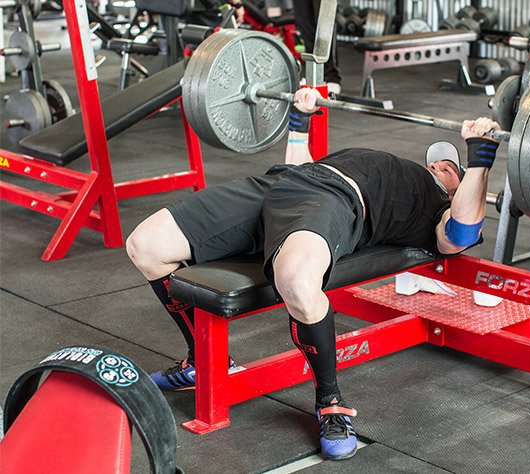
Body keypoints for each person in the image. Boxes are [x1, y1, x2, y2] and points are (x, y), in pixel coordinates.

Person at [126, 87, 501, 460]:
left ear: (460, 188)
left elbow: (460, 234)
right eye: (435, 163)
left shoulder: (434, 206)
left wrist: (481, 155)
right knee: (145, 246)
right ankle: (202, 363)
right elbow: (298, 163)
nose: (437, 167)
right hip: (280, 183)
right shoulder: (390, 164)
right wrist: (300, 118)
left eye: (450, 169)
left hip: (335, 200)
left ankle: (330, 401)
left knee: (297, 281)